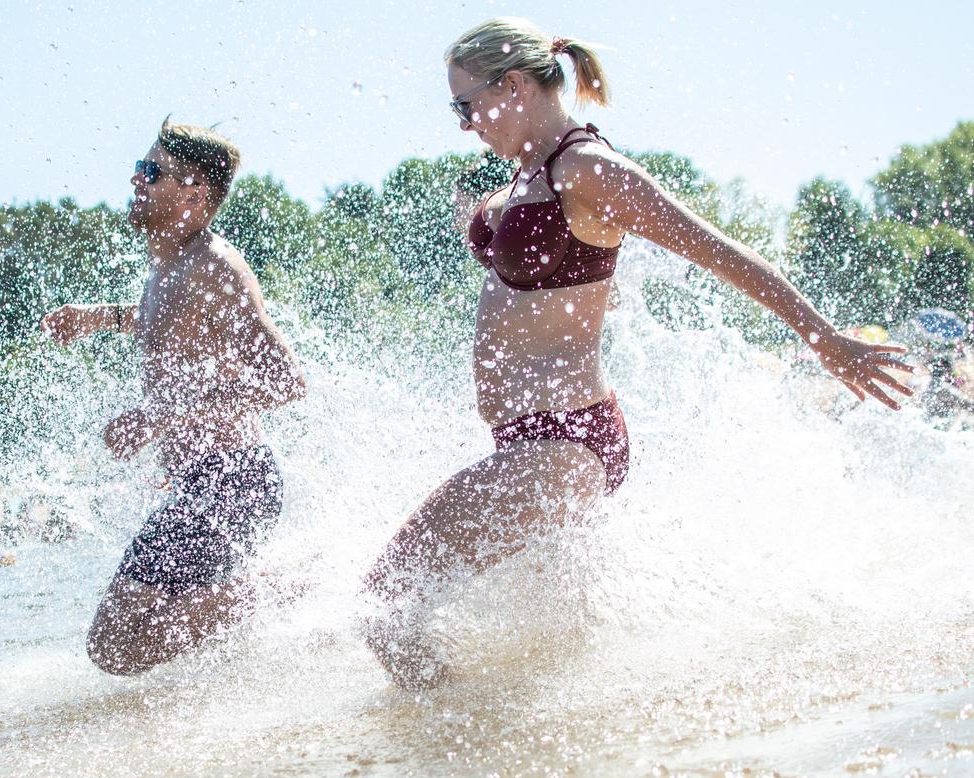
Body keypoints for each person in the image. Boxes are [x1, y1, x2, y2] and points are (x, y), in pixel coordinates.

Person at [361, 17, 915, 690]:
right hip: (524, 439)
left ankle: (446, 752)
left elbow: (713, 249)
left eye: (464, 105)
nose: (463, 124)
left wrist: (820, 334)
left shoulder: (587, 168)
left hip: (562, 440)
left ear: (509, 85)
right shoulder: (526, 174)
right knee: (547, 660)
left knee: (385, 602)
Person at [42, 118, 306, 676]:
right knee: (146, 636)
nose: (135, 180)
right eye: (139, 169)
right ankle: (281, 602)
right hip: (211, 482)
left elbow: (286, 381)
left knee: (117, 643)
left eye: (149, 171)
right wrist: (104, 317)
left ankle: (301, 584)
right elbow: (179, 328)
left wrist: (161, 414)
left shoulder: (214, 266)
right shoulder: (172, 265)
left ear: (192, 193)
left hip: (231, 482)